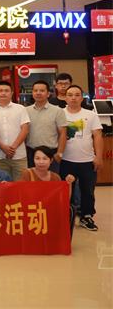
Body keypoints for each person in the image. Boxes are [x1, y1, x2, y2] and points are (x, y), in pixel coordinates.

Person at [59, 85, 103, 231]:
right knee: (66, 191)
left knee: (87, 191)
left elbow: (97, 136)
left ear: (82, 98)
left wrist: (99, 157)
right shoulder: (59, 114)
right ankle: (66, 215)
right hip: (65, 160)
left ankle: (86, 216)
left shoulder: (91, 114)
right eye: (70, 95)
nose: (73, 98)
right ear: (65, 97)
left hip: (87, 161)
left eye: (77, 95)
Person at [0, 81, 30, 181]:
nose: (3, 93)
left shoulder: (20, 108)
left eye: (6, 91)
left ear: (11, 93)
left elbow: (25, 129)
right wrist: (3, 147)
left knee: (21, 185)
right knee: (2, 185)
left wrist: (12, 148)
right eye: (0, 91)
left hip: (19, 155)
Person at [25, 80, 67, 171]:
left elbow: (63, 133)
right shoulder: (25, 111)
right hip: (31, 153)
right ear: (32, 93)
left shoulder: (57, 111)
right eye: (35, 90)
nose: (38, 93)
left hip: (51, 153)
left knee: (51, 179)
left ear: (48, 94)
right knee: (33, 179)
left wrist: (59, 153)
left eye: (42, 90)